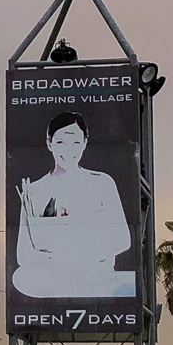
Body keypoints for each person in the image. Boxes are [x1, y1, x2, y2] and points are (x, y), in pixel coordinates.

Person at [13, 111, 133, 298]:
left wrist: (76, 250)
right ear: (49, 143)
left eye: (75, 142)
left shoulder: (102, 183)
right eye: (61, 142)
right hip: (54, 287)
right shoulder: (34, 191)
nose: (68, 150)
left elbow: (122, 240)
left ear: (85, 142)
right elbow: (24, 255)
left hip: (99, 284)